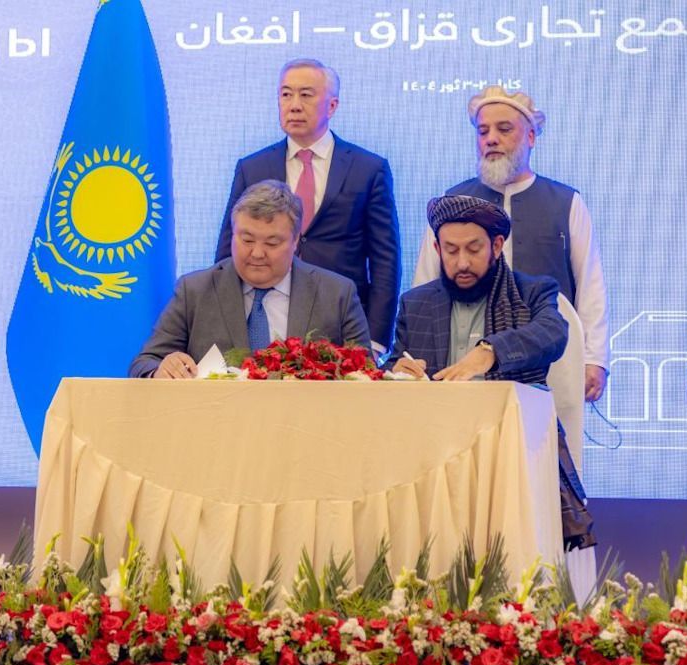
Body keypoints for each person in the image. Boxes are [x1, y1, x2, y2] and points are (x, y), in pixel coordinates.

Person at [391, 195, 595, 550]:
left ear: (497, 246)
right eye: (451, 251)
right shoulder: (416, 303)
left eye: (474, 249)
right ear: (437, 249)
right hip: (433, 458)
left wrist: (491, 352)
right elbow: (393, 363)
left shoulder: (532, 292)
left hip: (510, 457)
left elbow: (552, 334)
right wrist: (398, 371)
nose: (462, 262)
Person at [411, 85, 609, 401]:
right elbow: (425, 285)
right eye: (483, 131)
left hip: (549, 357)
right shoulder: (452, 202)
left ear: (530, 136)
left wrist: (594, 357)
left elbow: (590, 284)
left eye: (504, 129)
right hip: (463, 360)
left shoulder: (565, 202)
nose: (491, 139)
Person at [214, 58, 400, 357]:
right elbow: (229, 248)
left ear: (332, 106)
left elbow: (385, 260)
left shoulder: (368, 168)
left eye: (306, 95)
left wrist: (376, 341)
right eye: (286, 94)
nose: (294, 105)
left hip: (339, 320)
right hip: (264, 317)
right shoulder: (253, 167)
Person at [130, 180, 371, 378]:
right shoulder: (194, 291)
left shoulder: (337, 295)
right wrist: (162, 369)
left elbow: (367, 375)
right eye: (246, 240)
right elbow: (145, 363)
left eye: (272, 243)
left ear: (296, 240)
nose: (256, 253)